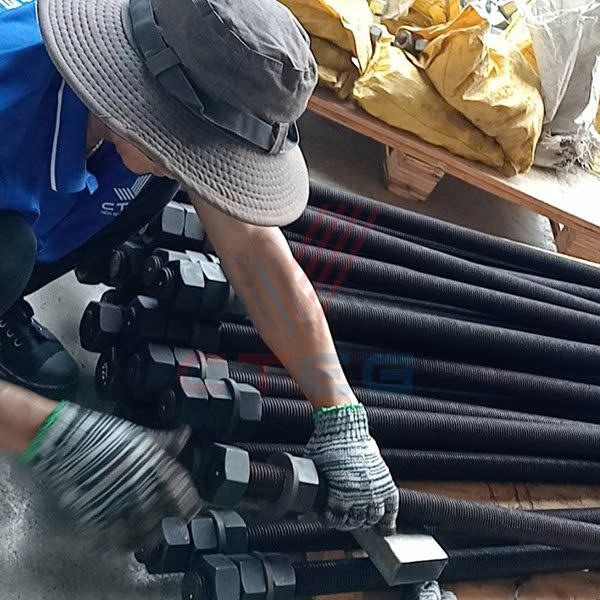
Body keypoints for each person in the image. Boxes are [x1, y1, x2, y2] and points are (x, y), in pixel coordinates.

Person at [0, 0, 399, 550]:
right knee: (8, 251)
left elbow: (253, 249)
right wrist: (46, 431)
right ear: (137, 101)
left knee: (146, 189)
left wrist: (339, 410)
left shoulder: (159, 76)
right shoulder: (11, 108)